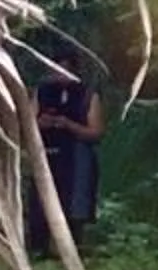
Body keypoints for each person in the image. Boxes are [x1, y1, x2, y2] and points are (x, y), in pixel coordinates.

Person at [25, 69, 103, 259]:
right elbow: (27, 122)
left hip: (76, 156)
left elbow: (96, 132)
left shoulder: (87, 96)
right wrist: (40, 123)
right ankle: (40, 247)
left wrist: (67, 124)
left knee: (74, 203)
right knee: (41, 201)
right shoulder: (42, 92)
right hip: (46, 154)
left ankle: (71, 248)